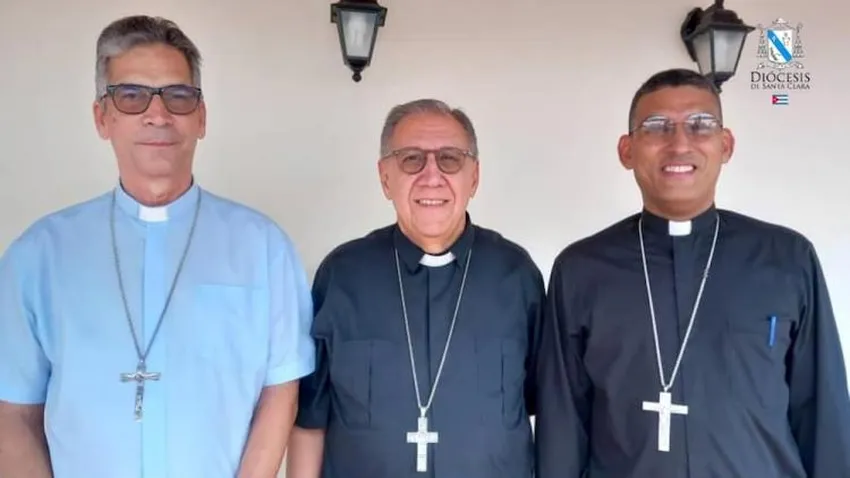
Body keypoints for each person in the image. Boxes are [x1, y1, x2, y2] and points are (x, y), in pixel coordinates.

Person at [0, 15, 315, 478]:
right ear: (102, 118)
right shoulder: (37, 256)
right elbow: (13, 412)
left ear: (201, 117)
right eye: (131, 96)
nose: (158, 114)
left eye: (178, 96)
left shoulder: (264, 248)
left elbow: (281, 390)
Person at [534, 67, 850, 478]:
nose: (679, 143)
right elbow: (562, 424)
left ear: (725, 145)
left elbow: (823, 416)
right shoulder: (581, 270)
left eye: (700, 125)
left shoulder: (787, 260)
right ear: (627, 151)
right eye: (657, 127)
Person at [285, 99, 545, 478]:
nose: (431, 175)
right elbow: (310, 420)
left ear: (474, 177)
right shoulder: (343, 275)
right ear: (385, 177)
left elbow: (546, 406)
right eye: (411, 159)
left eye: (450, 159)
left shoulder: (516, 275)